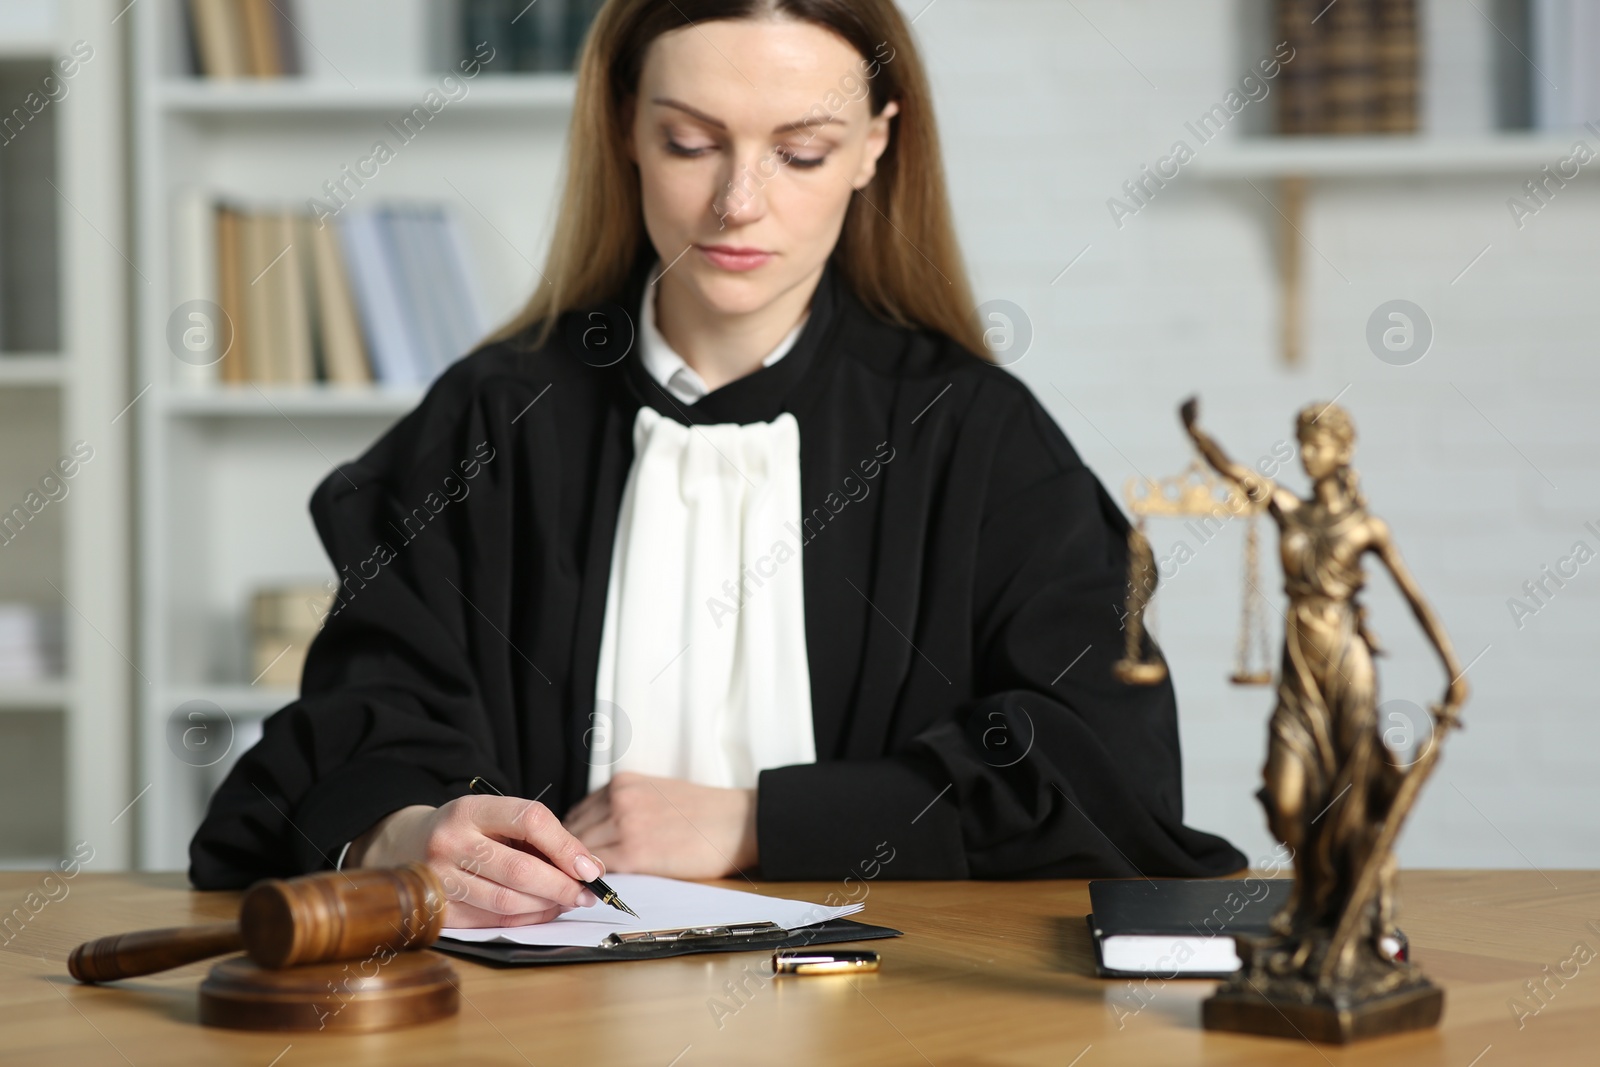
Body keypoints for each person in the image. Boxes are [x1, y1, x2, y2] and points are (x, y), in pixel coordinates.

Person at [190, 0, 1245, 926]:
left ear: (877, 145)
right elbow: (351, 727)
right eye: (692, 141)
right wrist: (409, 831)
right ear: (624, 131)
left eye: (801, 151)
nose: (739, 203)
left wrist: (755, 821)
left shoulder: (975, 433)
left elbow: (1102, 768)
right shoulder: (491, 421)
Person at [1182, 397, 1467, 976]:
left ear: (1343, 451)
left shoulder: (1367, 527)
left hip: (1346, 663)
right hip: (1298, 666)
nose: (1308, 455)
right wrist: (1197, 434)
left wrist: (1453, 674)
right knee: (1287, 797)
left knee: (1350, 795)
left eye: (1318, 444)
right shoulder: (1290, 510)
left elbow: (1415, 600)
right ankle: (1313, 893)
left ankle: (1333, 915)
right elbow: (1235, 472)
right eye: (1302, 443)